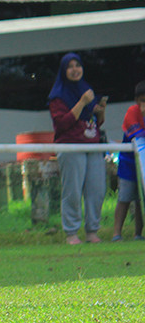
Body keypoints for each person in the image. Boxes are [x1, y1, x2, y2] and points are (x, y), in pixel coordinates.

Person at [48, 52, 107, 244]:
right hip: (71, 146)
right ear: (64, 71)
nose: (75, 70)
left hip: (93, 146)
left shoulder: (86, 89)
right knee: (72, 191)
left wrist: (99, 111)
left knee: (96, 190)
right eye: (70, 67)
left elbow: (96, 123)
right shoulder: (58, 96)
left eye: (78, 65)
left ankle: (92, 231)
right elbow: (62, 124)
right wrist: (82, 103)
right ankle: (71, 233)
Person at [112, 80, 145, 241]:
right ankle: (116, 233)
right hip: (129, 164)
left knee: (141, 200)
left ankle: (138, 233)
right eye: (143, 100)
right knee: (124, 198)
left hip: (144, 166)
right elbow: (137, 133)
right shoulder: (132, 112)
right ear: (137, 101)